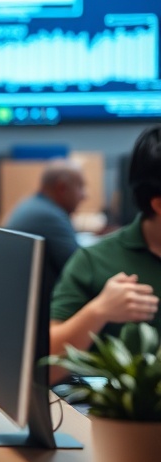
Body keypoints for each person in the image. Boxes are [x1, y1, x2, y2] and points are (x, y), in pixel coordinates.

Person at [49, 126, 161, 383]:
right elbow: (48, 367)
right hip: (125, 420)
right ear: (158, 204)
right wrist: (99, 311)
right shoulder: (94, 261)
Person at [4, 158, 86, 297]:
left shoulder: (33, 205)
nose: (85, 196)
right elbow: (81, 269)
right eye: (80, 187)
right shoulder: (49, 217)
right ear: (62, 188)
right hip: (40, 305)